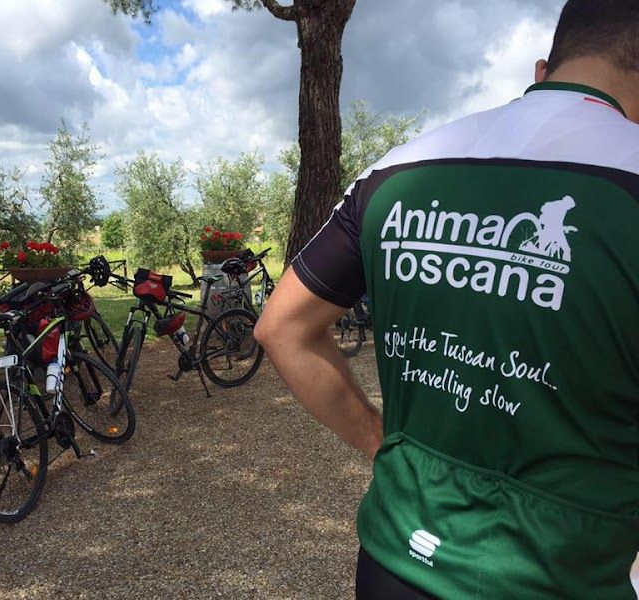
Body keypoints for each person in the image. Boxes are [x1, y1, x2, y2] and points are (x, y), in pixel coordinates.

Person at [254, 1, 639, 598]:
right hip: (557, 575)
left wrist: (382, 445)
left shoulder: (396, 169)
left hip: (392, 561)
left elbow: (282, 328)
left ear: (544, 71)